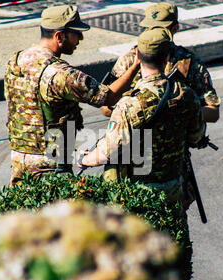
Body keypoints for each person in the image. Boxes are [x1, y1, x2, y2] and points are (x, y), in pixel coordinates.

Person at [4, 5, 140, 186]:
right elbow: (107, 97)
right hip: (50, 166)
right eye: (76, 33)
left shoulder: (16, 60)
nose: (81, 38)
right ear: (59, 36)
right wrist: (135, 67)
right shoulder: (61, 74)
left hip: (19, 158)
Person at [77, 28, 206, 212]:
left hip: (140, 194)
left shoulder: (130, 104)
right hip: (174, 187)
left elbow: (109, 152)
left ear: (137, 55)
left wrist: (84, 159)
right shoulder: (187, 96)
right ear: (167, 58)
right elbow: (196, 137)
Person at [101, 2, 220, 123]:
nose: (154, 33)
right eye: (150, 28)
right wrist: (138, 110)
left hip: (177, 135)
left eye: (160, 29)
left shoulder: (189, 63)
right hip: (142, 135)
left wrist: (182, 110)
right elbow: (106, 108)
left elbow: (213, 112)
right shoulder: (129, 60)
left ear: (175, 28)